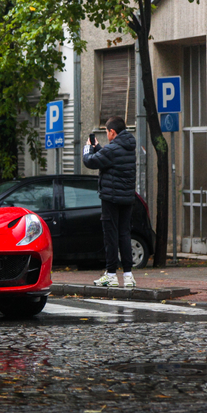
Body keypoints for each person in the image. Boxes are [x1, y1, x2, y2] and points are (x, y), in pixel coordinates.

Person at [83, 116, 137, 288]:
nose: (107, 135)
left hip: (111, 198)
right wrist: (98, 147)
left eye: (107, 132)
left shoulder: (113, 149)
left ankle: (111, 274)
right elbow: (109, 159)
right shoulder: (128, 147)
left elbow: (90, 161)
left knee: (111, 236)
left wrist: (87, 148)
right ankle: (128, 276)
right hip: (127, 198)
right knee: (124, 234)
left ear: (113, 132)